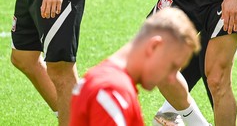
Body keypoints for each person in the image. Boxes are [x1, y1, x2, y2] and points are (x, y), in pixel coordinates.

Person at [70, 7, 200, 125]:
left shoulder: (108, 82)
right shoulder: (112, 91)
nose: (172, 78)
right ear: (154, 46)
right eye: (172, 66)